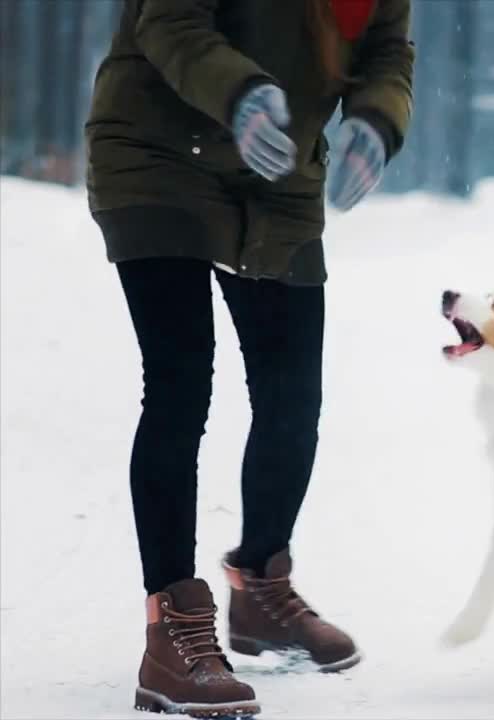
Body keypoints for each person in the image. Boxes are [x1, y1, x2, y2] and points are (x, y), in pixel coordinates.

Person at [84, 0, 414, 715]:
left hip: (279, 170)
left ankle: (261, 588)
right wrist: (239, 92)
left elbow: (386, 50)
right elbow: (167, 21)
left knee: (293, 391)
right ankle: (169, 633)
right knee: (180, 384)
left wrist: (377, 119)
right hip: (156, 150)